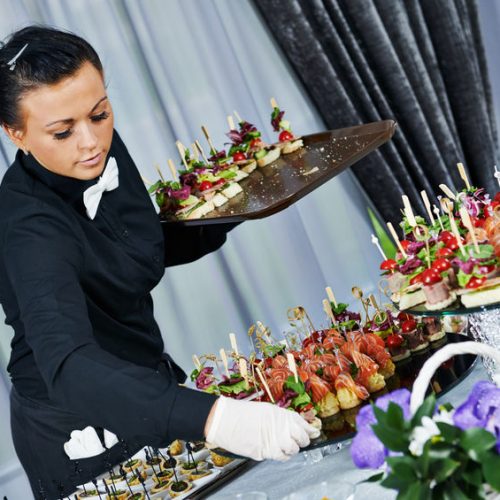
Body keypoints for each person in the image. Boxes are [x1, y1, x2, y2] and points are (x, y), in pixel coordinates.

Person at [0, 26, 318, 498]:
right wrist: (216, 417)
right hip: (78, 423)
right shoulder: (28, 228)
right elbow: (68, 365)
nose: (90, 142)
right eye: (63, 131)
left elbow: (135, 249)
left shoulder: (96, 150)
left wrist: (245, 199)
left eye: (100, 113)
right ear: (15, 133)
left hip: (147, 385)